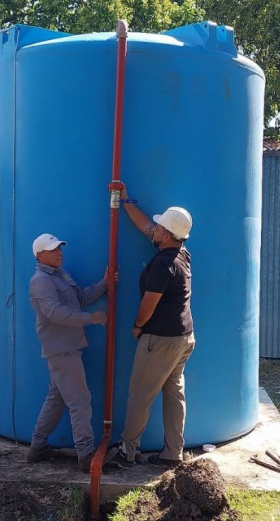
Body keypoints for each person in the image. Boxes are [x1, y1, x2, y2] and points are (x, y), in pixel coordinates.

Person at [105, 182, 195, 468]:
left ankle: (127, 451)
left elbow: (149, 303)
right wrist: (126, 200)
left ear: (167, 235)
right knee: (174, 394)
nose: (152, 229)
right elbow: (146, 226)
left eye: (158, 227)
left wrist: (137, 325)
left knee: (140, 395)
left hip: (160, 339)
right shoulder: (181, 253)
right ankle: (172, 452)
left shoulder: (162, 265)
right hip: (184, 338)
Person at [27, 233, 109, 471]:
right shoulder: (41, 280)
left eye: (60, 248)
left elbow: (80, 297)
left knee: (56, 399)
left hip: (68, 347)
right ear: (40, 255)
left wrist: (104, 284)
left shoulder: (60, 274)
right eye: (53, 250)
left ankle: (38, 446)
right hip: (61, 349)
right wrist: (90, 318)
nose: (59, 253)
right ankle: (85, 456)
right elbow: (55, 313)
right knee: (80, 401)